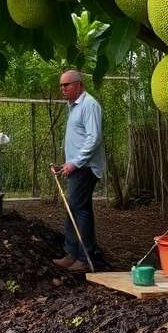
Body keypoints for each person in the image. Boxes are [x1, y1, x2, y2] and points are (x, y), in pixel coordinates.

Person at [52, 69, 104, 272]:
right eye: (61, 85)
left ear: (79, 84)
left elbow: (93, 138)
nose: (62, 89)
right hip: (76, 166)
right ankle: (72, 253)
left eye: (66, 85)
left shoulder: (89, 105)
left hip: (85, 167)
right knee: (75, 208)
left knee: (79, 209)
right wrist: (66, 163)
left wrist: (75, 163)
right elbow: (79, 138)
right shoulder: (73, 107)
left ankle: (83, 257)